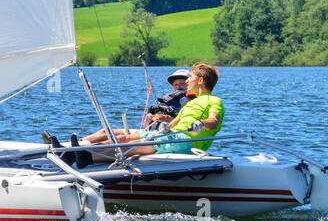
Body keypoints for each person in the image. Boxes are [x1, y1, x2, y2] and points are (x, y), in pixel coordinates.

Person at [81, 64, 225, 158]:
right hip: (171, 135)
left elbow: (214, 121)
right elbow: (174, 124)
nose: (187, 81)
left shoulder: (214, 100)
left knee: (131, 146)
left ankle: (88, 158)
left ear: (200, 81)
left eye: (190, 78)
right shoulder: (190, 104)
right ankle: (82, 152)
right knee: (122, 139)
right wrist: (163, 123)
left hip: (186, 141)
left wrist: (200, 123)